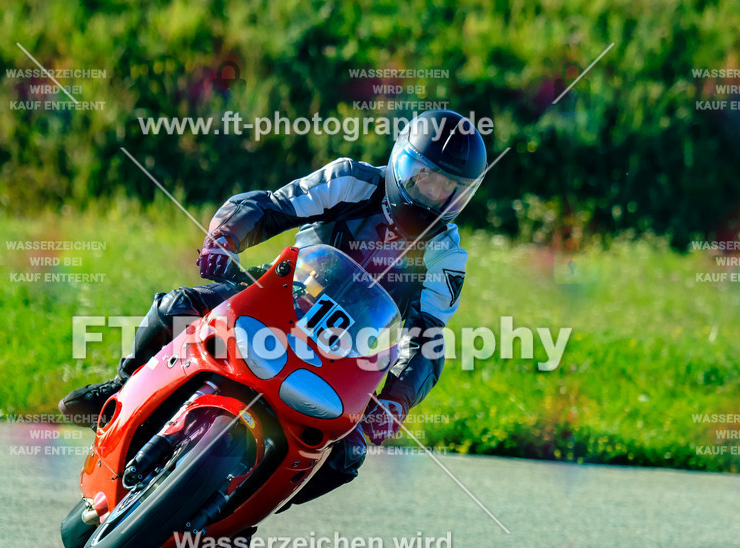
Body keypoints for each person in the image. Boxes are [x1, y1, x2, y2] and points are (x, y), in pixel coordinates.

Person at [60, 108, 486, 520]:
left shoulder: (447, 255)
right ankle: (123, 383)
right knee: (176, 307)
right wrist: (223, 240)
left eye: (449, 188)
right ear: (399, 162)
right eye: (424, 177)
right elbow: (270, 205)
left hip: (350, 354)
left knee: (348, 454)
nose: (432, 194)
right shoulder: (351, 180)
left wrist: (393, 403)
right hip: (280, 295)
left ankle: (246, 511)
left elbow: (427, 339)